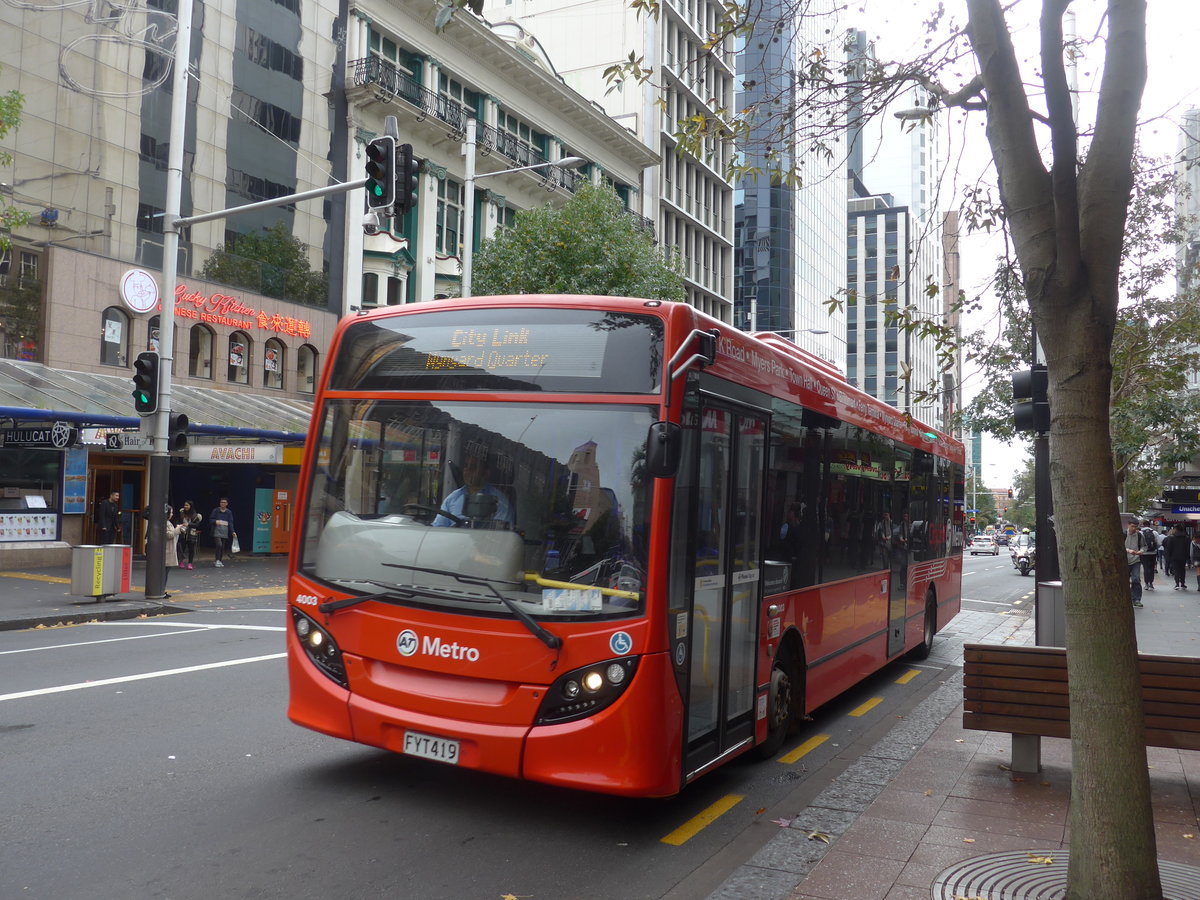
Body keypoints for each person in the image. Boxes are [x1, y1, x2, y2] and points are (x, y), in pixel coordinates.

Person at [433, 451, 514, 528]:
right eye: (466, 466)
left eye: (473, 467)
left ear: (486, 473)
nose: (467, 471)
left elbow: (502, 535)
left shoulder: (499, 502)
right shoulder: (453, 498)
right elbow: (438, 528)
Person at [162, 506, 185, 598]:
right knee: (164, 572)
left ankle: (162, 590)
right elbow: (169, 534)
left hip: (169, 548)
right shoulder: (165, 523)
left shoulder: (168, 523)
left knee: (166, 572)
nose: (172, 514)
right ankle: (161, 590)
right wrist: (178, 529)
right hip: (167, 550)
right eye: (170, 512)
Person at [209, 497, 236, 567]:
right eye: (221, 502)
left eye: (224, 502)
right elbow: (211, 520)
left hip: (224, 531)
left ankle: (219, 560)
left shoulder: (229, 512)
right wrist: (215, 521)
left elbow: (230, 522)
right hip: (216, 530)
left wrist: (232, 531)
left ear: (227, 504)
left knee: (222, 547)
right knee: (219, 545)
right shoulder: (215, 510)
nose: (222, 504)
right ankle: (217, 560)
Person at [1163, 525, 1191, 591]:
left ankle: (1177, 584)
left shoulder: (1172, 538)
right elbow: (1188, 548)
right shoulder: (1186, 537)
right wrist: (1188, 557)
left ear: (1176, 529)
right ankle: (1183, 583)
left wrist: (1169, 556)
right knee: (1182, 570)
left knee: (1176, 570)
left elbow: (1169, 548)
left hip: (1174, 557)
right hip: (1183, 556)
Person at [176, 501, 203, 569]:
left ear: (191, 506)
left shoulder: (195, 515)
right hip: (182, 532)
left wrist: (189, 524)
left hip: (192, 533)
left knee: (191, 549)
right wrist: (179, 525)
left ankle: (190, 563)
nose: (186, 506)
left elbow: (197, 525)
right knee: (182, 548)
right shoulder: (181, 513)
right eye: (185, 505)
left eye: (187, 505)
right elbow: (177, 520)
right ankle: (181, 561)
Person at [1124, 521, 1145, 608]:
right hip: (1124, 560)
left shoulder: (1140, 535)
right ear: (1128, 525)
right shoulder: (1123, 534)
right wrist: (1128, 550)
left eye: (1136, 527)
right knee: (1124, 580)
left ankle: (1136, 599)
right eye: (1132, 526)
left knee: (1136, 579)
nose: (1134, 529)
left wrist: (1141, 551)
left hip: (1136, 560)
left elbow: (1144, 546)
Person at [1139, 520, 1159, 590]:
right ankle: (1151, 583)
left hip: (1144, 553)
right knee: (1151, 568)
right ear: (1149, 525)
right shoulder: (1155, 532)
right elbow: (1158, 543)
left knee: (1146, 568)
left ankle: (1146, 583)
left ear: (1143, 525)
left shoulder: (1140, 533)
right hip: (1153, 553)